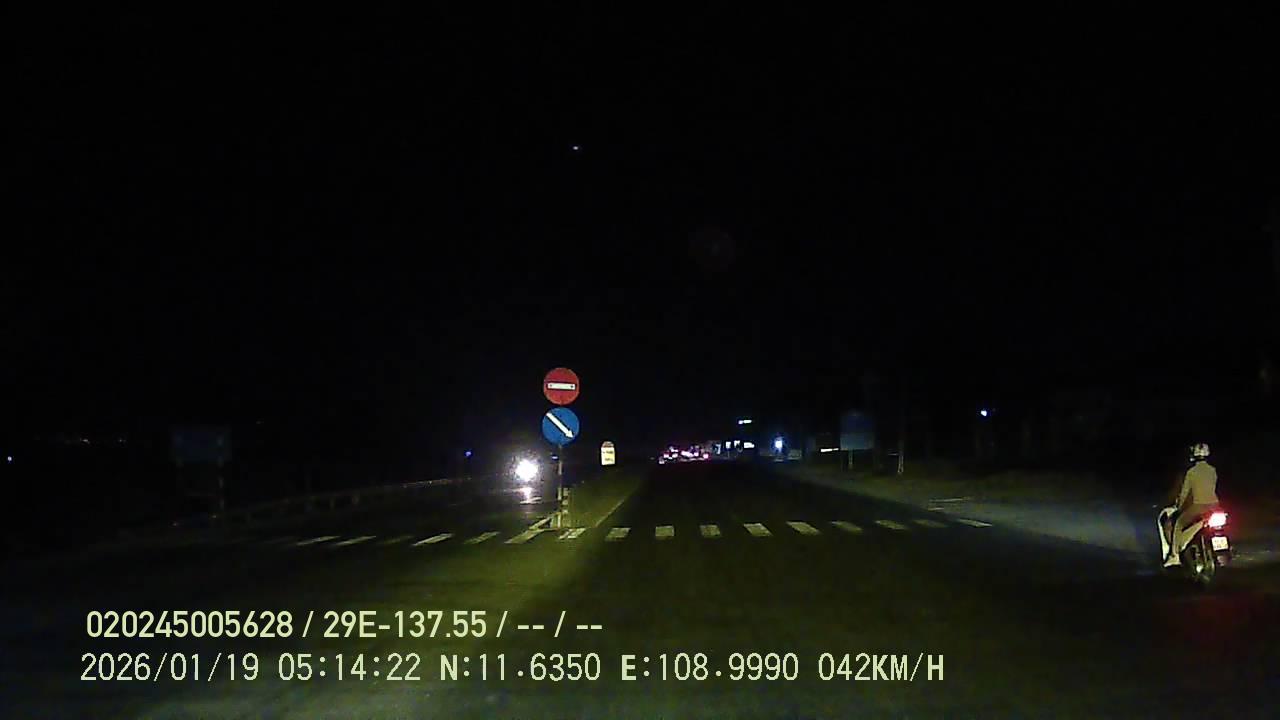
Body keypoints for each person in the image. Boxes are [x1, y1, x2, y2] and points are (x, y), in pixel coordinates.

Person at [1162, 443, 1219, 567]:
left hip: (1199, 506)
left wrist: (1179, 507)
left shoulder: (1191, 472)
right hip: (1215, 505)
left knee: (1178, 524)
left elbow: (1185, 492)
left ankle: (1174, 556)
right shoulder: (1212, 470)